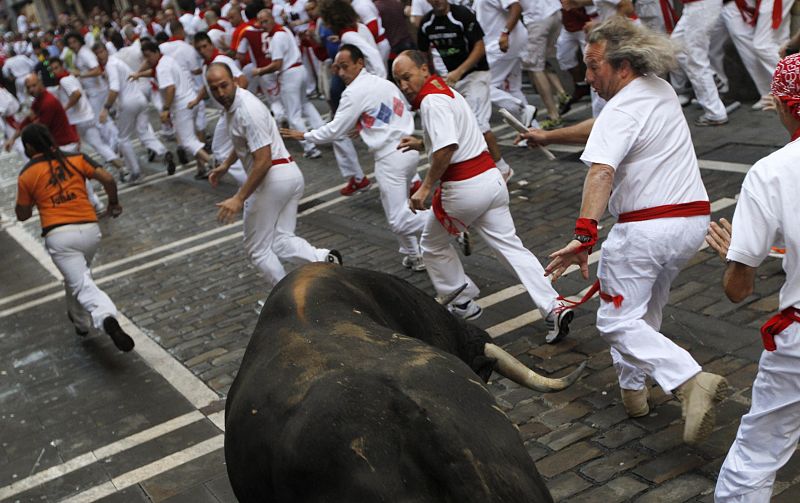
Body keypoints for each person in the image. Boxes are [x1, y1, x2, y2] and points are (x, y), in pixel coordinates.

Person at [542, 17, 727, 444]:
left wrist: (585, 234)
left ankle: (688, 379)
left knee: (615, 321)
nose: (587, 77)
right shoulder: (658, 90)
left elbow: (601, 171)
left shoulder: (620, 108)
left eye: (594, 67)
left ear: (623, 66)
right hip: (689, 224)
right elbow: (602, 131)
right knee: (644, 311)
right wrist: (549, 136)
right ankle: (633, 393)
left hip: (647, 229)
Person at [392, 50, 574, 342]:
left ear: (424, 70)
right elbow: (454, 138)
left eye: (406, 76)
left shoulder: (431, 100)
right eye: (398, 80)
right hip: (491, 181)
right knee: (513, 249)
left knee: (432, 244)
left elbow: (447, 148)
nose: (403, 84)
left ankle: (462, 301)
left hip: (465, 189)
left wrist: (425, 187)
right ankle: (554, 305)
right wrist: (421, 142)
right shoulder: (446, 91)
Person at [709, 54, 800, 502]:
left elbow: (738, 289)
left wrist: (734, 256)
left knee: (757, 453)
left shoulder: (772, 172)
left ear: (784, 106)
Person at [282, 45, 429, 270]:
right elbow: (395, 110)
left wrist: (305, 135)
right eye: (337, 68)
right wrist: (364, 124)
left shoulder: (354, 92)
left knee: (398, 219)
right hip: (407, 151)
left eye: (345, 66)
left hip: (390, 157)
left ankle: (445, 220)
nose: (341, 72)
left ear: (360, 63)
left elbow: (334, 129)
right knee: (395, 207)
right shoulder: (382, 83)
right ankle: (413, 254)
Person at [204, 63, 342, 288]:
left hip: (273, 178)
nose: (220, 93)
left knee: (257, 250)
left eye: (224, 86)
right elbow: (244, 142)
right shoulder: (235, 105)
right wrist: (226, 165)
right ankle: (324, 258)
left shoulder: (246, 109)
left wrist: (239, 198)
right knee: (280, 240)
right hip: (288, 175)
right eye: (215, 88)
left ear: (235, 82)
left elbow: (263, 159)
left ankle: (286, 299)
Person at [14, 124, 134, 353]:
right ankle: (80, 323)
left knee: (82, 284)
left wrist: (31, 201)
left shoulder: (27, 173)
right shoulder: (76, 159)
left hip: (60, 235)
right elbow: (108, 178)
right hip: (90, 230)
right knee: (78, 276)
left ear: (29, 147)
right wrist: (113, 202)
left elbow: (23, 214)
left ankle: (105, 317)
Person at [417, 0, 514, 180]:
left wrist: (459, 71)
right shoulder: (426, 23)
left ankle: (502, 168)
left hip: (476, 74)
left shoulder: (462, 15)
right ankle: (478, 166)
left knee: (479, 124)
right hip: (452, 79)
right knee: (460, 124)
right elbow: (423, 55)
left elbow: (479, 47)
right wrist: (431, 78)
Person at [92, 43, 176, 182]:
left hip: (128, 102)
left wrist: (106, 108)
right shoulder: (116, 62)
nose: (100, 56)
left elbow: (114, 89)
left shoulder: (111, 66)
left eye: (101, 52)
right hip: (140, 99)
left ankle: (135, 171)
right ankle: (163, 152)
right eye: (98, 54)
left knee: (123, 139)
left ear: (106, 52)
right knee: (143, 132)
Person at [137, 39, 215, 179]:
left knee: (188, 141)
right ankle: (201, 168)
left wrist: (166, 109)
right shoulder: (167, 60)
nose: (147, 60)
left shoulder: (162, 67)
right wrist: (139, 74)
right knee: (192, 137)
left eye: (149, 56)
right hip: (190, 100)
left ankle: (212, 163)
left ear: (156, 52)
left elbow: (170, 88)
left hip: (181, 106)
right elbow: (154, 73)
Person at [48, 57, 129, 182]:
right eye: (52, 69)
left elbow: (76, 94)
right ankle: (121, 167)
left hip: (77, 121)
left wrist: (64, 109)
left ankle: (77, 177)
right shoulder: (70, 78)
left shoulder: (65, 80)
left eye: (56, 68)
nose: (55, 71)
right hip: (87, 117)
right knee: (99, 145)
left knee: (71, 151)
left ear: (62, 67)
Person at [473, 0, 537, 126]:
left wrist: (505, 33)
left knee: (480, 85)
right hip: (504, 44)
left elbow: (516, 6)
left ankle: (521, 109)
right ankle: (532, 130)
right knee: (512, 89)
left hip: (502, 45)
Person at [669, 0, 729, 126]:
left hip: (701, 4)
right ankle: (713, 78)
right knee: (676, 46)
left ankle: (715, 112)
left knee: (696, 60)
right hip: (693, 5)